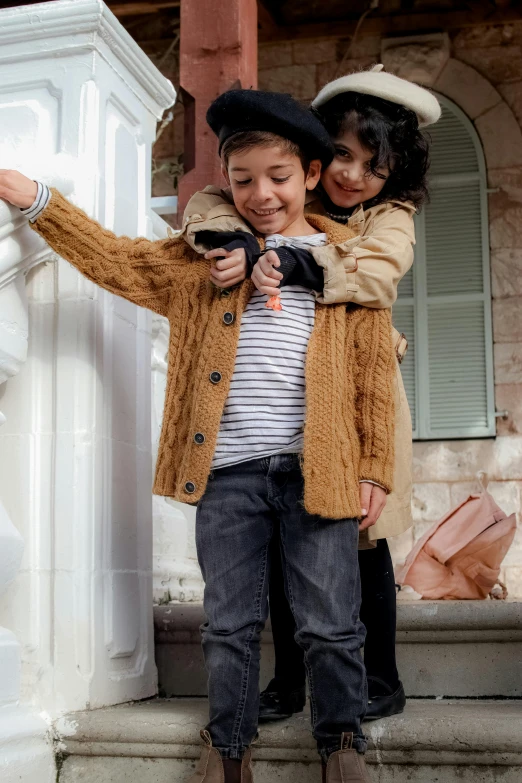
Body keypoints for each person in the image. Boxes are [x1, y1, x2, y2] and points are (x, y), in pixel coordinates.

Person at [0, 88, 398, 783]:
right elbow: (118, 260)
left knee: (332, 621)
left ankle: (340, 744)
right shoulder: (203, 258)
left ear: (310, 173)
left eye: (278, 177)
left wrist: (377, 467)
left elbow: (371, 379)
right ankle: (228, 747)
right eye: (242, 180)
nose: (261, 194)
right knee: (228, 625)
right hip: (229, 473)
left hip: (321, 468)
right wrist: (40, 201)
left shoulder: (349, 265)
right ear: (226, 183)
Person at [179, 65, 441, 722]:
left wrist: (298, 260)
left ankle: (379, 676)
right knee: (280, 539)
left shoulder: (392, 218)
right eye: (344, 155)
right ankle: (289, 678)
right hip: (288, 408)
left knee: (360, 535)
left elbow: (377, 276)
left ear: (395, 171)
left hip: (362, 398)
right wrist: (235, 238)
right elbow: (211, 201)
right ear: (320, 157)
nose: (354, 175)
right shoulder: (294, 197)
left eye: (374, 164)